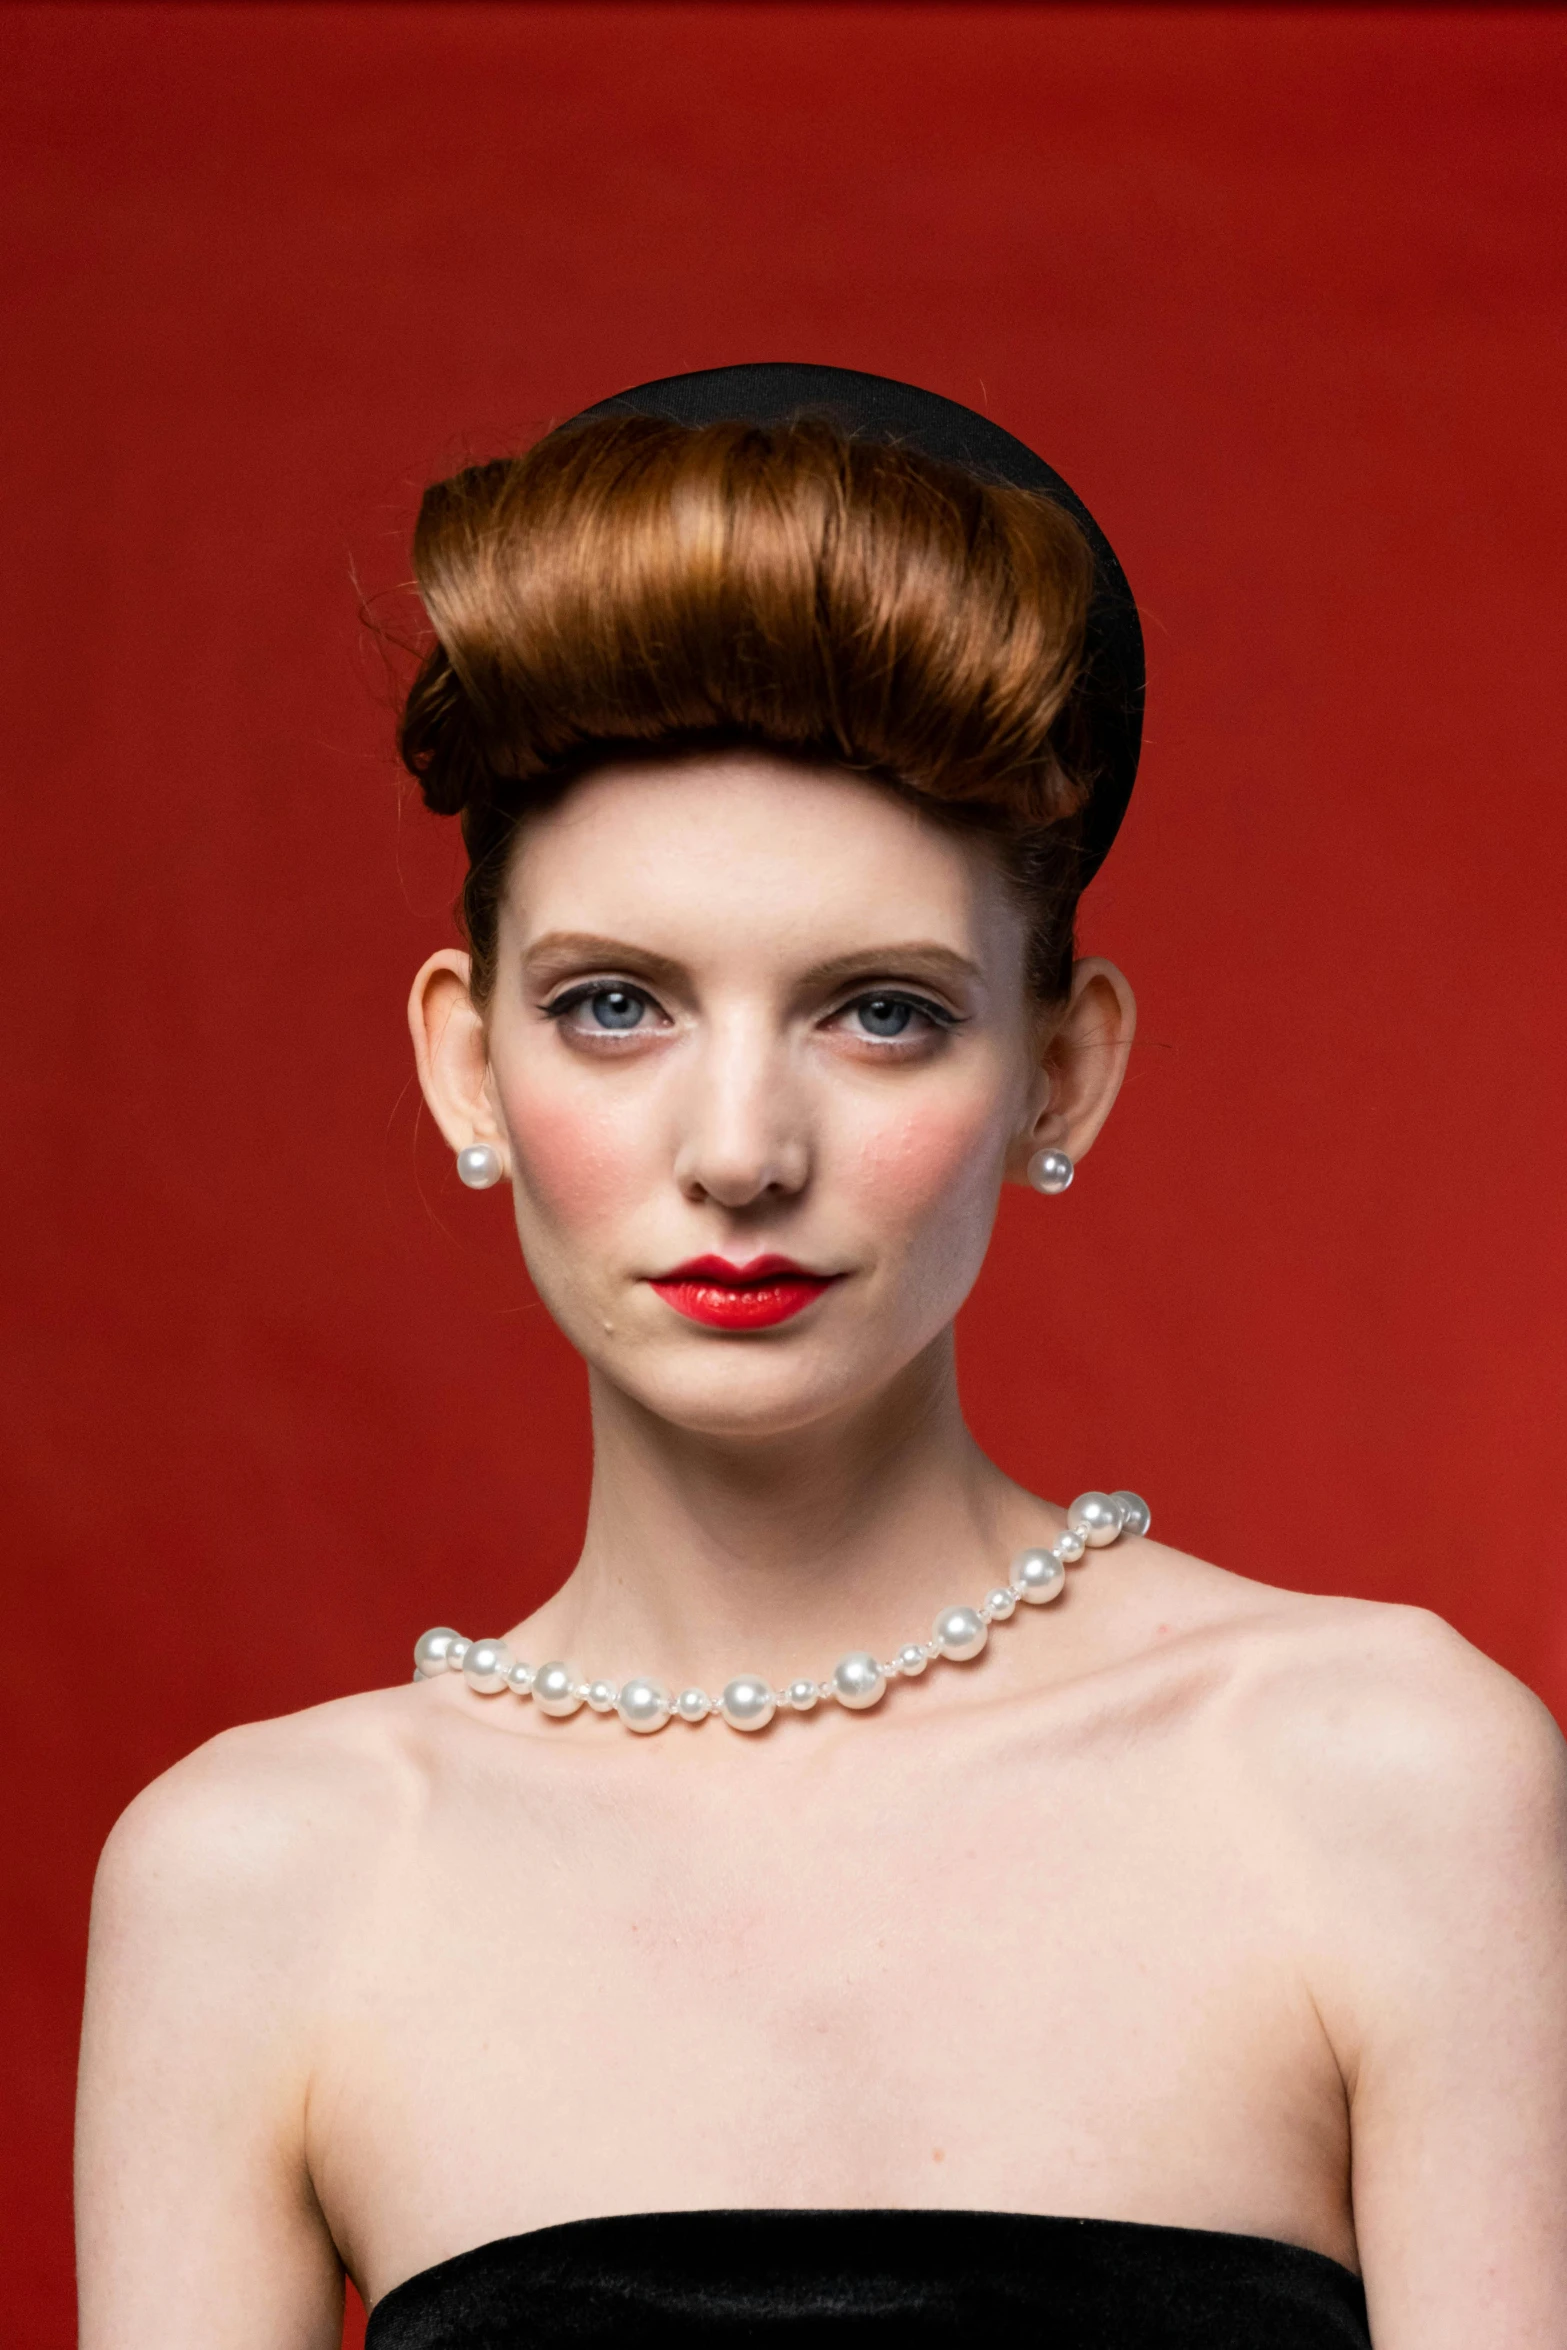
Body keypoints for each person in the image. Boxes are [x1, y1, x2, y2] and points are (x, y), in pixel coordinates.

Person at [76, 366, 1567, 2349]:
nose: (742, 1148)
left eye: (879, 1012)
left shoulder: (1382, 1782)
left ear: (1063, 1066)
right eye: (617, 1004)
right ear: (467, 1057)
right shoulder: (262, 1880)